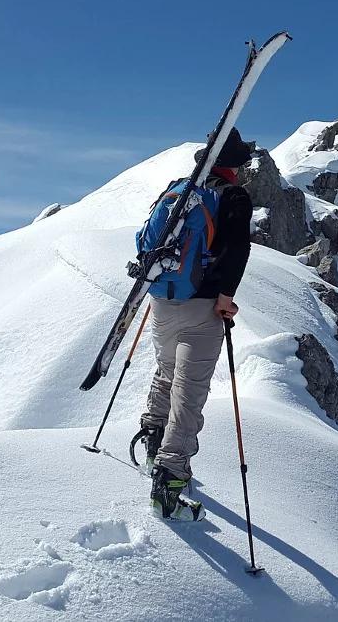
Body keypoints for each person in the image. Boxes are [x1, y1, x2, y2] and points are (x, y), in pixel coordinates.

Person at [135, 128, 254, 521]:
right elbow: (237, 249)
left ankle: (153, 442)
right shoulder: (233, 196)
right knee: (190, 394)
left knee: (166, 372)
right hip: (202, 309)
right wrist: (225, 297)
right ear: (234, 164)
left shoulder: (182, 188)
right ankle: (169, 484)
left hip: (163, 299)